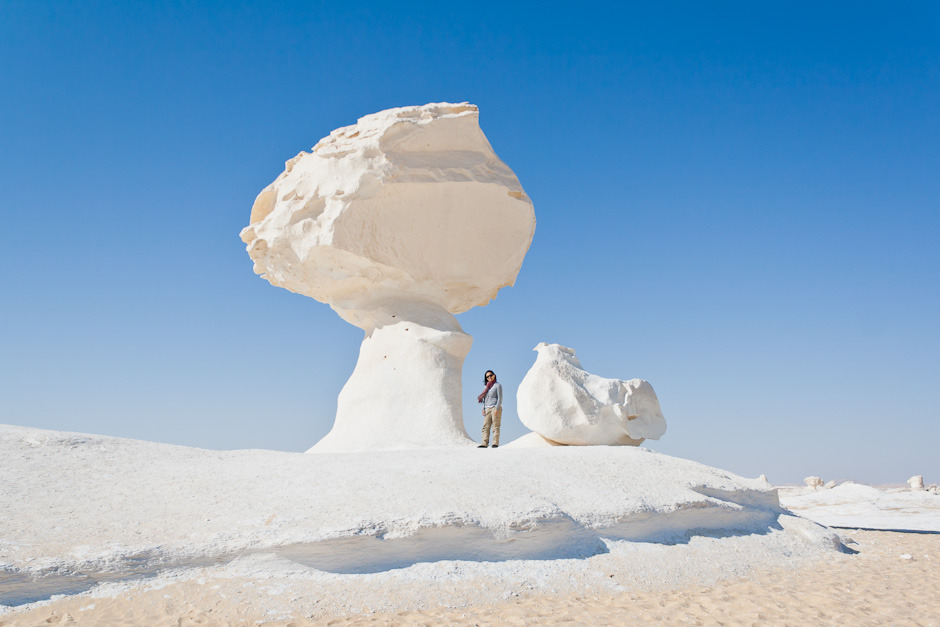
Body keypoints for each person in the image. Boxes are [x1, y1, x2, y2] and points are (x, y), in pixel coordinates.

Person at [477, 370, 502, 448]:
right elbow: (484, 399)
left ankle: (495, 443)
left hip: (495, 407)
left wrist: (497, 408)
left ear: (494, 375)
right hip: (487, 408)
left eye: (490, 375)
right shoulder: (486, 387)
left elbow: (500, 397)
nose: (489, 377)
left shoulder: (497, 385)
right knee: (485, 426)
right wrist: (483, 409)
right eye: (487, 376)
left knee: (495, 426)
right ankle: (484, 443)